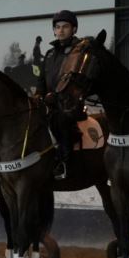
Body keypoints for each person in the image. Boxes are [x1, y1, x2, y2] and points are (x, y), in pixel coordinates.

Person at [38, 9, 80, 179]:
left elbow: (77, 80)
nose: (61, 30)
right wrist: (38, 96)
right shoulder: (49, 54)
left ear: (74, 29)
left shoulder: (79, 51)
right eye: (57, 27)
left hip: (70, 103)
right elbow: (41, 80)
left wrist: (58, 96)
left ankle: (63, 162)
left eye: (65, 26)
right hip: (49, 102)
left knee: (59, 120)